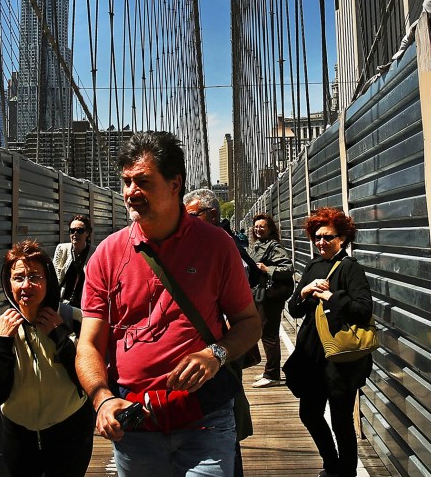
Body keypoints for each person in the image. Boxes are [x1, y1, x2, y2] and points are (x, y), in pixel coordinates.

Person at [77, 131, 261, 476]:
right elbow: (89, 342)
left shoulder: (216, 245)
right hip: (134, 420)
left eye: (143, 182)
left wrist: (215, 354)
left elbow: (249, 322)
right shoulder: (107, 254)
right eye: (127, 181)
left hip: (203, 417)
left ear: (175, 183)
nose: (131, 192)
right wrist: (101, 397)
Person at [0, 239, 94, 477]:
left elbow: (90, 378)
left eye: (35, 277)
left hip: (70, 428)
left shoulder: (75, 320)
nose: (26, 285)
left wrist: (61, 335)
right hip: (19, 433)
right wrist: (3, 342)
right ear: (8, 282)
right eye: (18, 277)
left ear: (49, 280)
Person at [284, 207, 373, 477]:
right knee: (309, 414)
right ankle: (331, 463)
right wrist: (304, 292)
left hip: (339, 359)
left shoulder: (350, 268)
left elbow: (363, 310)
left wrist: (331, 297)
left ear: (342, 238)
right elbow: (295, 310)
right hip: (310, 356)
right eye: (317, 237)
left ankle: (346, 472)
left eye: (328, 237)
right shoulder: (312, 266)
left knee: (341, 421)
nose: (321, 242)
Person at [184, 188, 254, 477]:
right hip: (212, 351)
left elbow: (237, 307)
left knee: (225, 419)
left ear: (212, 214)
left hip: (221, 348)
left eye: (192, 215)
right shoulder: (202, 244)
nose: (185, 221)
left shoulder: (221, 246)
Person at [246, 213, 293, 388]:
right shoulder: (259, 245)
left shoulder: (273, 246)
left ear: (270, 229)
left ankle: (272, 374)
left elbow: (288, 268)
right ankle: (270, 370)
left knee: (270, 334)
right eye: (256, 226)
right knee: (264, 332)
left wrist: (267, 269)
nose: (258, 229)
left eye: (262, 227)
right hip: (262, 295)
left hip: (271, 297)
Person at [53, 214, 94, 328]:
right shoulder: (62, 249)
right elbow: (55, 277)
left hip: (83, 305)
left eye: (80, 231)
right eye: (72, 231)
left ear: (88, 233)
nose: (75, 234)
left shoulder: (95, 253)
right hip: (63, 303)